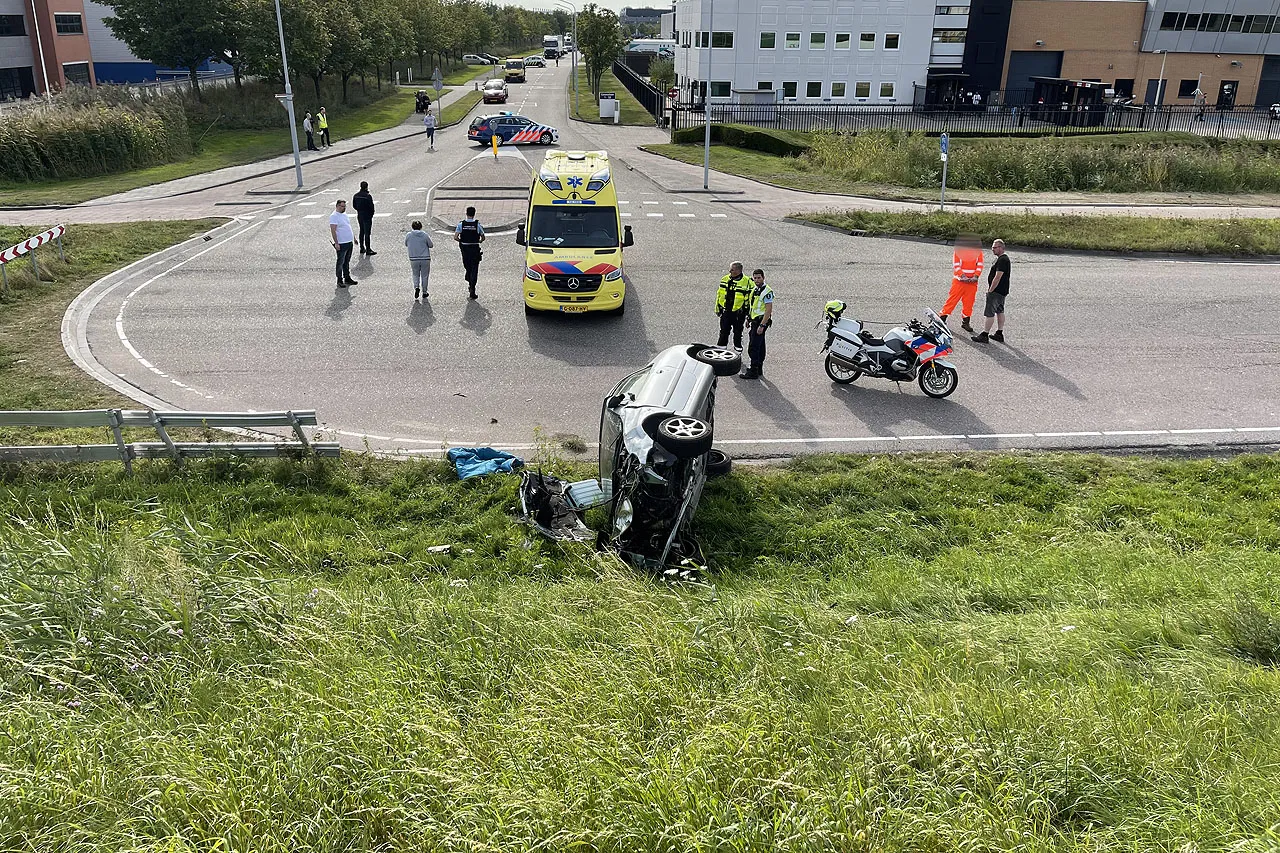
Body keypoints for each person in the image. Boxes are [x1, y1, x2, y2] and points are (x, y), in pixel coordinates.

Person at [939, 234, 983, 333]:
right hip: (959, 281)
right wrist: (963, 276)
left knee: (969, 303)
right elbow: (956, 265)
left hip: (972, 283)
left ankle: (965, 322)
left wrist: (976, 276)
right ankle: (942, 318)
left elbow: (980, 265)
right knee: (952, 300)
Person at [972, 239, 1010, 343]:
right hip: (1002, 291)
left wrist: (990, 291)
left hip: (996, 291)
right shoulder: (1002, 259)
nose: (992, 249)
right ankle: (999, 333)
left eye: (995, 247)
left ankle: (985, 334)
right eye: (992, 247)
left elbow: (997, 277)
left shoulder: (1002, 260)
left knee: (990, 313)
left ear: (1001, 248)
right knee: (1000, 311)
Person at [740, 268, 774, 379]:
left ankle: (753, 370)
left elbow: (768, 310)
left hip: (760, 321)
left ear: (763, 278)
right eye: (755, 278)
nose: (756, 280)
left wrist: (762, 325)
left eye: (759, 277)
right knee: (760, 345)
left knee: (753, 347)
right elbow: (753, 306)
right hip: (754, 320)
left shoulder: (766, 291)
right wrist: (748, 319)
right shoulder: (755, 289)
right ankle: (758, 368)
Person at [715, 261, 751, 352]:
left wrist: (748, 314)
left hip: (739, 313)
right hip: (725, 311)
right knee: (723, 332)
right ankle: (720, 351)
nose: (729, 271)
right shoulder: (724, 279)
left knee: (738, 334)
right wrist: (717, 308)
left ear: (738, 271)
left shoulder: (747, 282)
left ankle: (738, 352)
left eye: (732, 270)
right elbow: (719, 294)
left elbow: (750, 299)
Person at [454, 206, 485, 299]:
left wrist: (461, 241)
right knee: (474, 269)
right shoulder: (477, 225)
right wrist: (479, 241)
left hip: (465, 249)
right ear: (474, 213)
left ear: (466, 213)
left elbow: (455, 237)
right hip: (475, 248)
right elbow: (483, 237)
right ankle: (472, 287)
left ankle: (469, 278)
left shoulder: (461, 225)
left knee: (467, 266)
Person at [329, 199, 357, 288]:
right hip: (341, 243)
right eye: (342, 206)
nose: (344, 208)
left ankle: (347, 278)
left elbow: (348, 226)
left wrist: (354, 238)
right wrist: (336, 243)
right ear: (337, 206)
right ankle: (339, 280)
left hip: (349, 242)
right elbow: (333, 230)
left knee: (347, 261)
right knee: (340, 262)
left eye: (345, 206)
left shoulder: (344, 214)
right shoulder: (334, 216)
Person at [405, 219, 434, 300]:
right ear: (421, 227)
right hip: (425, 258)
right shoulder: (424, 235)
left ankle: (416, 287)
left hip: (413, 258)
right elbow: (431, 245)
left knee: (415, 274)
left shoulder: (409, 235)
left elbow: (406, 244)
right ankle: (424, 292)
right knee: (425, 275)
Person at [352, 181, 376, 256]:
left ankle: (362, 247)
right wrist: (371, 214)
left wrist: (359, 210)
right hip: (367, 215)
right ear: (366, 187)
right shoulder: (367, 196)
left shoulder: (356, 196)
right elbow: (371, 207)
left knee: (361, 231)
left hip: (360, 215)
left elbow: (354, 205)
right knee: (367, 233)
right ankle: (368, 249)